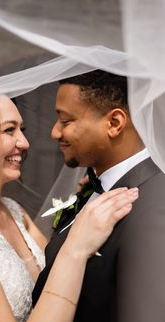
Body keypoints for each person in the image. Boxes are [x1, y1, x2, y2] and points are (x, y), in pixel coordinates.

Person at [0, 94, 137, 322]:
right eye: (9, 130)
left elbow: (56, 279)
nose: (24, 143)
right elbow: (69, 257)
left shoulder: (13, 211)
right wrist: (75, 249)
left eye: (22, 129)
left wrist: (85, 201)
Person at [33, 70, 165, 322]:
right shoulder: (91, 190)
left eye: (66, 121)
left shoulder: (156, 207)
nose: (54, 133)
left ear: (114, 123)